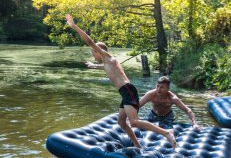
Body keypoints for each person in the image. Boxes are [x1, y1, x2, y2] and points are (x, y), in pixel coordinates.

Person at [66, 14, 176, 149]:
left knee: (134, 122)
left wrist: (74, 26)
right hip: (125, 92)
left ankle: (166, 133)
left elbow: (89, 41)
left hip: (128, 90)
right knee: (121, 122)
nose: (93, 55)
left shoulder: (107, 57)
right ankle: (138, 146)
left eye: (93, 52)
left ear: (98, 51)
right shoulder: (109, 63)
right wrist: (92, 65)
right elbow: (106, 68)